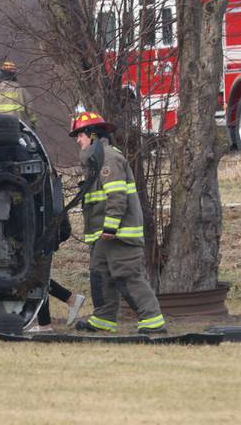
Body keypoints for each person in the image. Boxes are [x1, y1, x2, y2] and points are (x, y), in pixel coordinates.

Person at [69, 110, 167, 335]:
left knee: (127, 275)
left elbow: (116, 196)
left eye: (80, 135)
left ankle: (152, 319)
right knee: (99, 275)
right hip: (103, 235)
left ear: (92, 135)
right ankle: (103, 319)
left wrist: (111, 226)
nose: (77, 140)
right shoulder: (95, 162)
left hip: (119, 233)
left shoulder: (109, 159)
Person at [0, 60, 39, 128]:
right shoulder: (21, 90)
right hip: (17, 126)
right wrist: (33, 123)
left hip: (0, 126)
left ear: (3, 74)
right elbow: (30, 109)